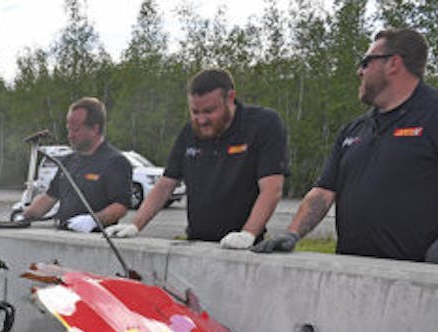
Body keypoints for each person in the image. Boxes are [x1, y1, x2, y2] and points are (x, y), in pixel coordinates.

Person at [254, 28, 438, 264]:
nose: (360, 71)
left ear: (393, 63)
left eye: (366, 62)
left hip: (413, 273)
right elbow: (324, 191)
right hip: (351, 268)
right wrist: (292, 234)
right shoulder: (355, 129)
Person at [106, 69, 288, 248]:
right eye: (195, 112)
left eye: (209, 111)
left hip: (245, 247)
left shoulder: (263, 124)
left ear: (230, 97)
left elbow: (272, 188)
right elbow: (166, 184)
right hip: (196, 243)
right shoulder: (190, 132)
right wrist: (135, 225)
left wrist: (248, 233)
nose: (201, 120)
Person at [20, 97, 132, 232]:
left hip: (96, 242)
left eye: (76, 130)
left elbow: (121, 206)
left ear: (95, 129)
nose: (70, 135)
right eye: (69, 129)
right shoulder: (67, 162)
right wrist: (23, 217)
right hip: (64, 237)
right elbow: (49, 197)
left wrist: (93, 220)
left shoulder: (115, 162)